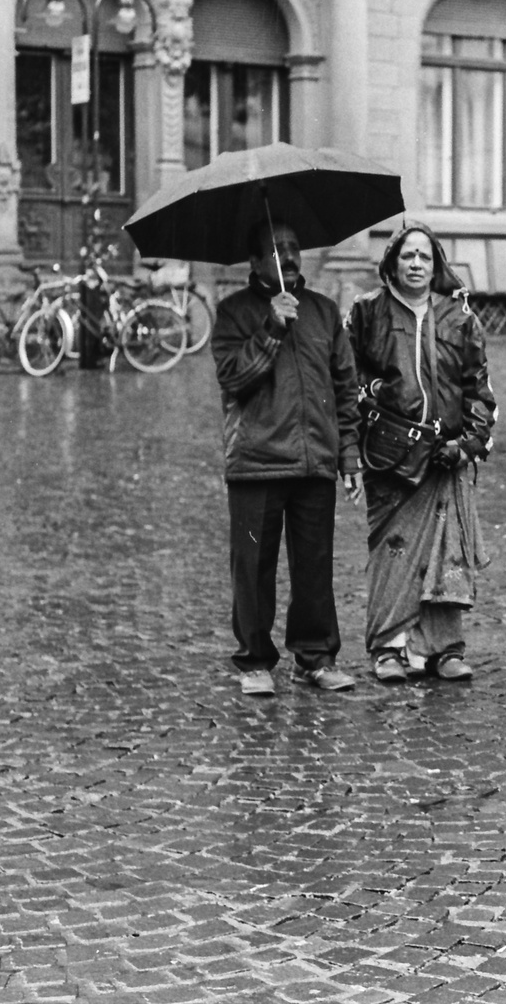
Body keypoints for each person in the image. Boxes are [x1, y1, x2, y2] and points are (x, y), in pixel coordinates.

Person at [212, 219, 363, 696]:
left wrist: (350, 456)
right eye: (276, 250)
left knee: (315, 565)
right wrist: (272, 328)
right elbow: (234, 379)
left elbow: (345, 388)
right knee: (253, 567)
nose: (289, 257)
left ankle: (315, 656)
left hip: (314, 457)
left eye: (294, 248)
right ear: (255, 262)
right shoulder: (233, 313)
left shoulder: (322, 311)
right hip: (257, 459)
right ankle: (255, 660)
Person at [346, 222, 495, 683]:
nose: (415, 264)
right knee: (393, 551)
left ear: (436, 265)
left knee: (446, 553)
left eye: (424, 257)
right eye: (407, 256)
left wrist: (467, 444)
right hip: (390, 458)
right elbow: (345, 382)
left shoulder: (460, 318)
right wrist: (358, 434)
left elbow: (480, 390)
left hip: (444, 459)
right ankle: (388, 648)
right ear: (392, 262)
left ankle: (443, 649)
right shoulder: (367, 312)